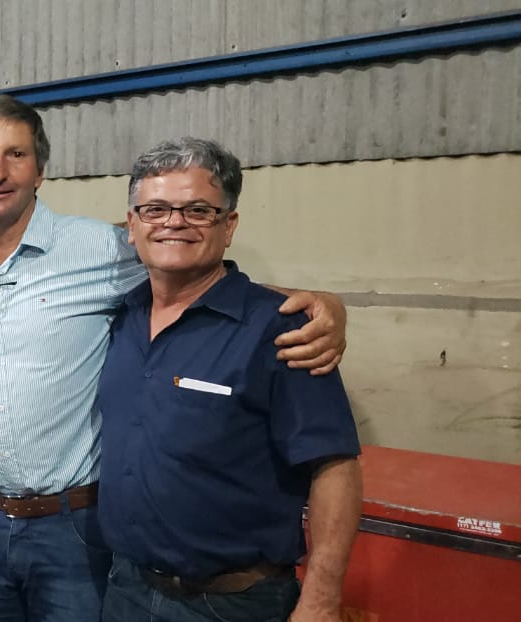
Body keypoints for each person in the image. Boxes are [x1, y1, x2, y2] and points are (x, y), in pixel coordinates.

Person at [0, 96, 348, 620]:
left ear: (40, 171)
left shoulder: (101, 249)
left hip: (72, 528)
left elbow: (190, 266)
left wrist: (321, 304)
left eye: (16, 154)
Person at [97, 137, 362, 622]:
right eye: (155, 209)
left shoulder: (282, 330)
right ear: (132, 226)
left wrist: (322, 599)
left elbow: (335, 467)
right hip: (125, 589)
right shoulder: (119, 316)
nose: (174, 222)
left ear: (229, 225)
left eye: (198, 210)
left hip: (232, 604)